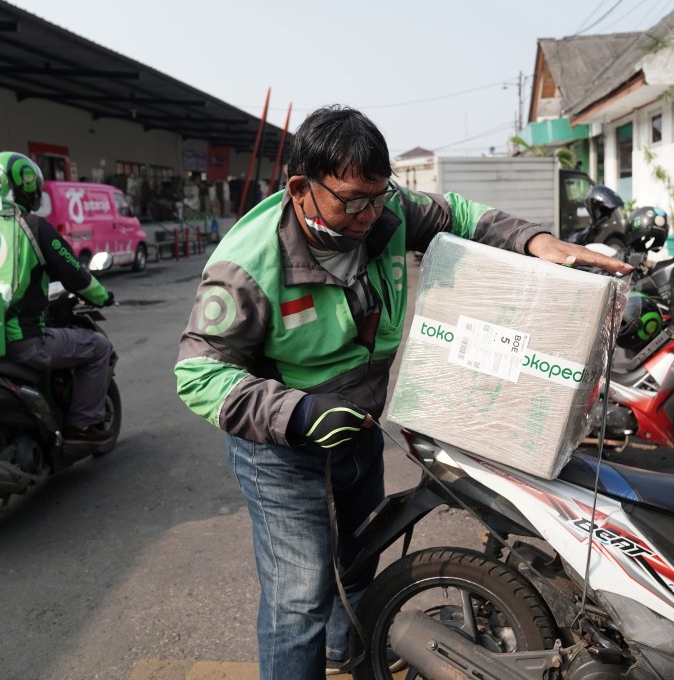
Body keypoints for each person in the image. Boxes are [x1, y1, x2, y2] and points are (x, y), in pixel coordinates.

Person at [174, 105, 632, 678]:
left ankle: (343, 650)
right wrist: (298, 412)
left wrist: (536, 240)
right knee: (298, 598)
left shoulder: (385, 211)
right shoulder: (246, 267)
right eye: (351, 201)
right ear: (300, 188)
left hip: (359, 430)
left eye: (377, 196)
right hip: (282, 449)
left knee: (356, 560)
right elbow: (199, 374)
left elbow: (459, 214)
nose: (369, 215)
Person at [0, 151, 116, 446]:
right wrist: (103, 296)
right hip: (21, 340)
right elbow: (74, 274)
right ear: (26, 185)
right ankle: (81, 424)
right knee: (98, 347)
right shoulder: (32, 226)